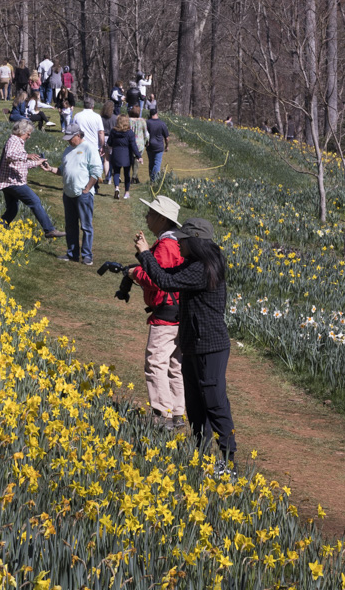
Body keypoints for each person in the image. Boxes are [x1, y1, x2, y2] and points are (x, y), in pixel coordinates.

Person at [133, 218, 236, 473]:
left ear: (195, 242)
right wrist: (144, 261)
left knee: (214, 402)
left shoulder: (203, 268)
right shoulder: (197, 264)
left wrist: (146, 253)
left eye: (182, 240)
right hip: (193, 344)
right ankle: (200, 454)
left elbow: (165, 282)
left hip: (209, 346)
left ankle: (227, 460)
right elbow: (166, 276)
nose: (178, 243)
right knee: (195, 404)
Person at [130, 196, 185, 431]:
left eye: (150, 213)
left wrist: (134, 273)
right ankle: (178, 412)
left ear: (162, 219)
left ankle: (163, 415)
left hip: (166, 311)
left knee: (155, 362)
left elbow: (158, 278)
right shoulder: (176, 242)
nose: (146, 217)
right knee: (174, 364)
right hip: (179, 310)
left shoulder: (166, 245)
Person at [0, 120, 66, 239]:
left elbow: (19, 163)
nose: (29, 136)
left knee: (12, 209)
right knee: (35, 201)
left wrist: (36, 162)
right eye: (28, 133)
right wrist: (27, 156)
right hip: (13, 181)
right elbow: (9, 155)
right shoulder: (13, 140)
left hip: (8, 181)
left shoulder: (17, 141)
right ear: (22, 132)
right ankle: (49, 230)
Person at [44, 123, 102, 265]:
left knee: (86, 226)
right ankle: (72, 254)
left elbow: (96, 171)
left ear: (78, 135)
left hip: (83, 194)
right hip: (68, 193)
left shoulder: (89, 148)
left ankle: (87, 255)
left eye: (71, 138)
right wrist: (50, 169)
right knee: (70, 225)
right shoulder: (67, 150)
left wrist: (87, 188)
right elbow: (63, 170)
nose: (69, 141)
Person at [108, 114, 141, 199]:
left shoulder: (113, 131)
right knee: (127, 174)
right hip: (127, 155)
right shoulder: (130, 133)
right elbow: (133, 145)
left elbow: (109, 143)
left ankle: (117, 188)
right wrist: (139, 156)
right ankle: (126, 193)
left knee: (116, 172)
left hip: (116, 154)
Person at [146, 109, 171, 183]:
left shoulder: (147, 122)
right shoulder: (162, 123)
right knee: (157, 163)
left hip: (150, 145)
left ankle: (151, 178)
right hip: (159, 146)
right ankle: (154, 181)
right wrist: (167, 146)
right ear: (157, 114)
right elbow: (167, 138)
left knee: (151, 163)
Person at [128, 105, 148, 184]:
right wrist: (146, 141)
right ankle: (134, 176)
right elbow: (146, 133)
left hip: (130, 141)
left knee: (131, 159)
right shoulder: (142, 121)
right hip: (139, 142)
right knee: (137, 159)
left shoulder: (128, 120)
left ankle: (133, 176)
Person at [100, 101, 117, 184]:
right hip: (112, 139)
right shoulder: (115, 118)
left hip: (103, 137)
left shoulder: (101, 118)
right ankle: (113, 175)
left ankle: (107, 178)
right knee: (112, 159)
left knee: (106, 160)